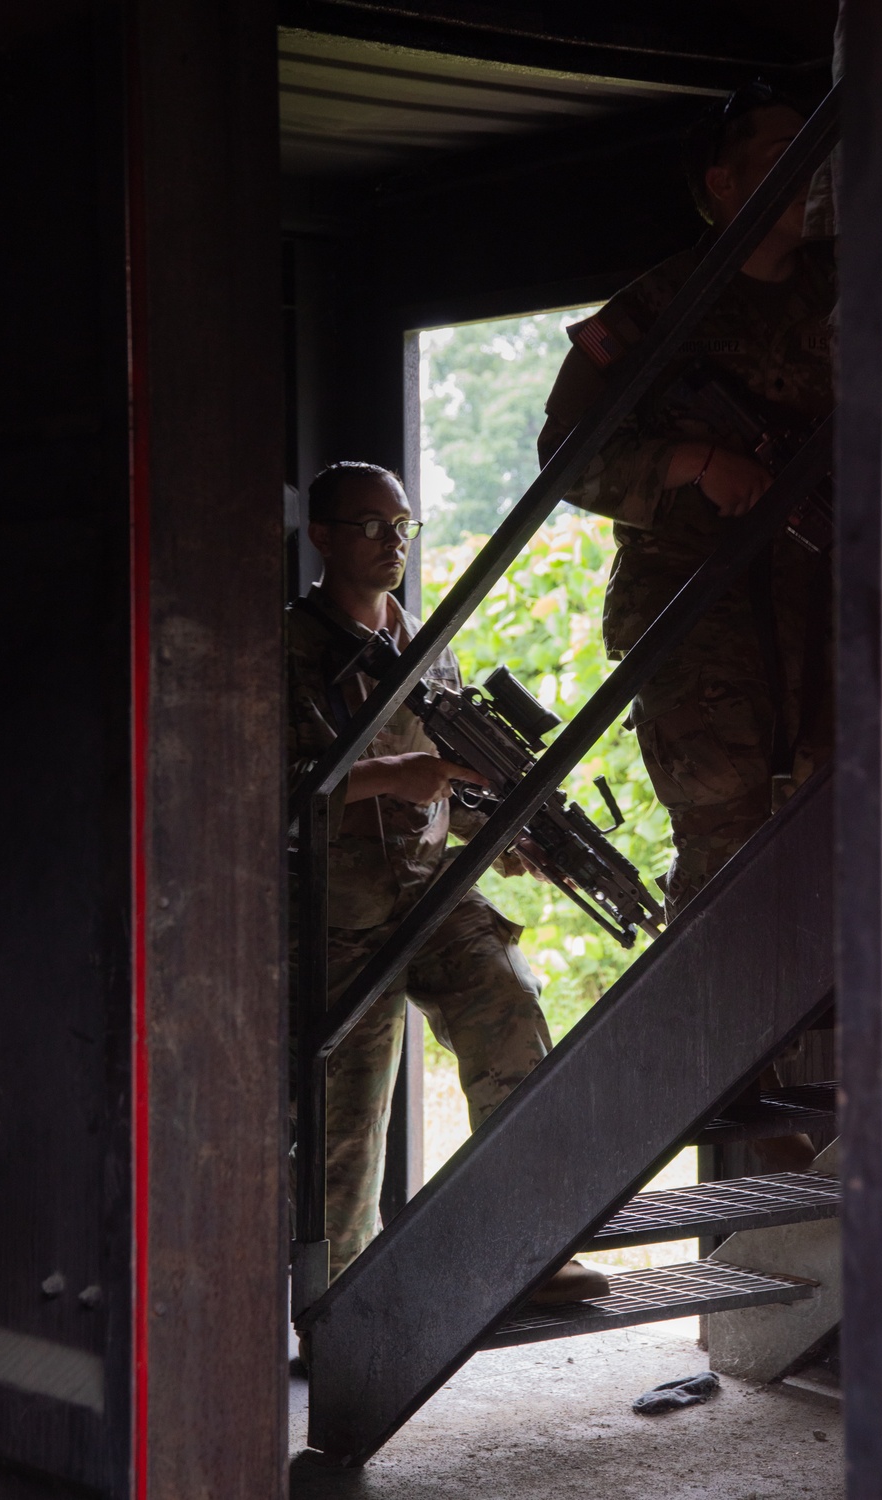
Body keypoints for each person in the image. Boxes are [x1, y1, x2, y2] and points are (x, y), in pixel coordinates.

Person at [288, 460, 608, 1300]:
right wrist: (397, 773)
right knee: (348, 1122)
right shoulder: (284, 649)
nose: (392, 541)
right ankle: (337, 1308)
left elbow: (452, 785)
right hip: (336, 909)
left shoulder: (427, 647)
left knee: (510, 1005)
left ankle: (532, 1244)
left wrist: (496, 831)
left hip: (431, 889)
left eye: (401, 526)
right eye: (370, 525)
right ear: (322, 535)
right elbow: (268, 787)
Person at [538, 82, 835, 923]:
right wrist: (694, 461)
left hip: (831, 604)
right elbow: (563, 460)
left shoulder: (853, 288)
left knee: (840, 840)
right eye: (786, 158)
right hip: (704, 617)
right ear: (724, 184)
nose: (813, 173)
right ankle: (725, 1046)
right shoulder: (655, 311)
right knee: (729, 852)